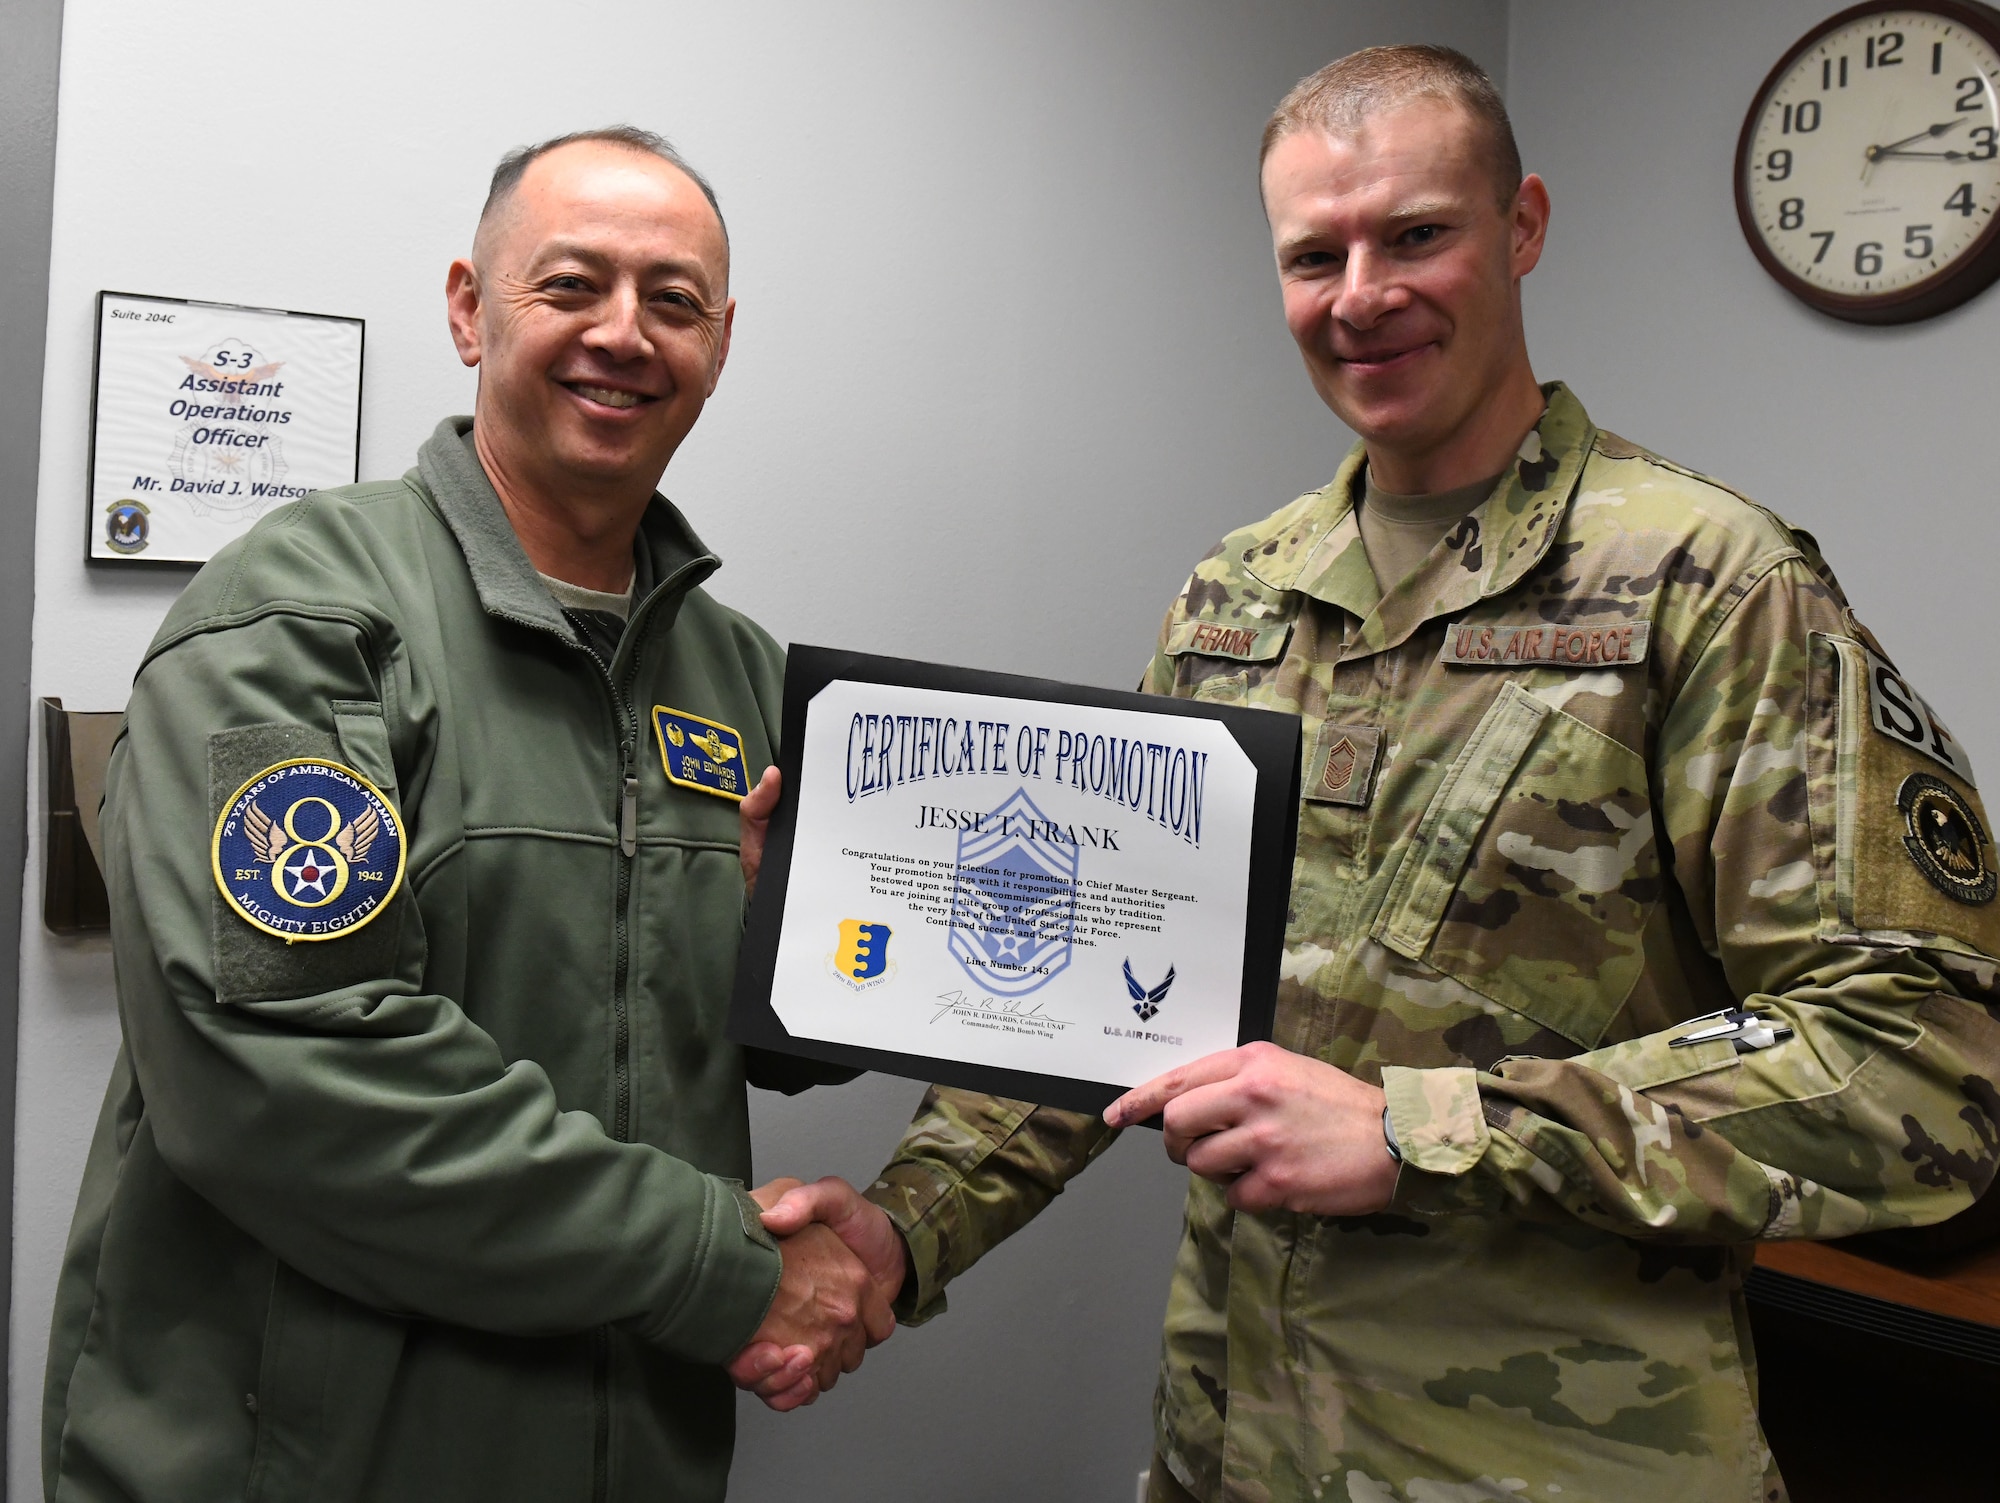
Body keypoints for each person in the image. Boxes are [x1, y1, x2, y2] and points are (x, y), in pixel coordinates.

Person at [736, 46, 2000, 1501]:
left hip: (1555, 1463)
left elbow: (1922, 1066)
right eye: (1313, 254)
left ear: (1521, 227)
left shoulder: (1706, 585)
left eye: (1416, 235)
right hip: (1234, 1447)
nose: (1360, 296)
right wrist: (903, 1227)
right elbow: (1107, 1005)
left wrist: (1421, 1130)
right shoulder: (1238, 596)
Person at [43, 128, 892, 1503]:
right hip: (306, 1460)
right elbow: (293, 1076)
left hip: (629, 1451)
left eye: (672, 302)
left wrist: (806, 952)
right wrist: (724, 1269)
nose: (624, 335)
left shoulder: (743, 675)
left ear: (721, 342)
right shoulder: (302, 623)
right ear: (467, 306)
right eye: (571, 286)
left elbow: (700, 1015)